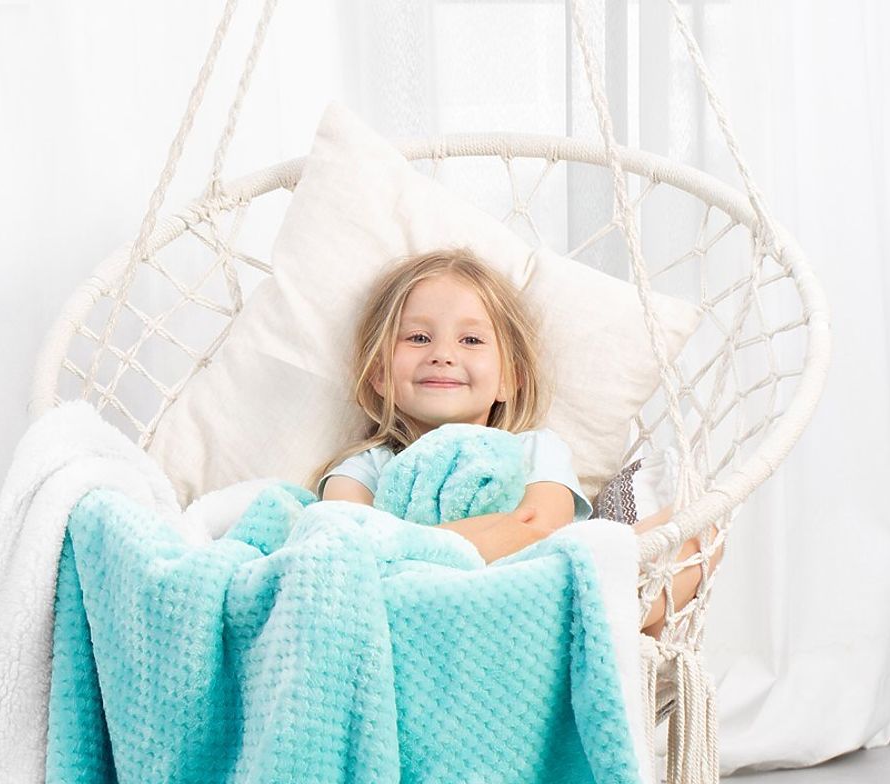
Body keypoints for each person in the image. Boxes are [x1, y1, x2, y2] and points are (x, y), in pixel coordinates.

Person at [309, 248, 721, 637]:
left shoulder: (534, 450)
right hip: (425, 619)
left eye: (471, 340)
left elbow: (541, 528)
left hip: (536, 603)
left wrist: (419, 545)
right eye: (418, 338)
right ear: (380, 374)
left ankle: (591, 640)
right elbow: (354, 555)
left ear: (509, 378)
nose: (443, 354)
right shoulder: (364, 467)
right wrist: (497, 534)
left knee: (697, 531)